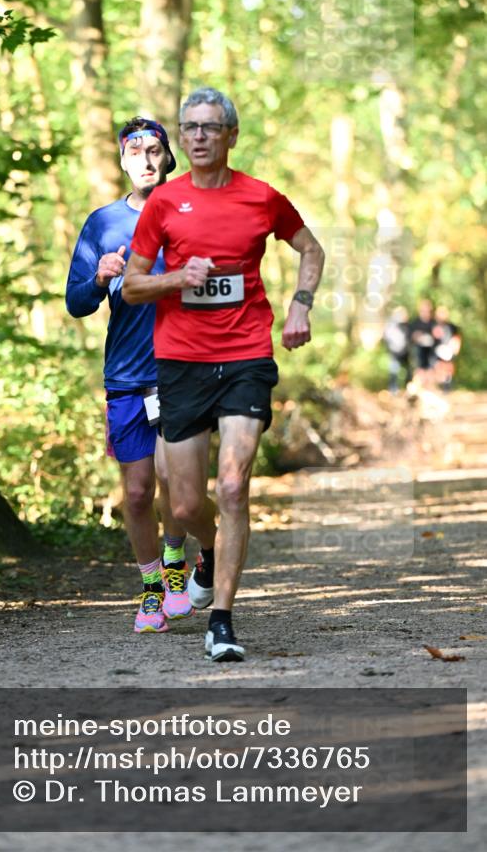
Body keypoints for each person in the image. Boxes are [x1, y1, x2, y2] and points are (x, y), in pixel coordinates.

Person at [123, 87, 325, 662]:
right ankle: (205, 552)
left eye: (212, 127)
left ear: (231, 135)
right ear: (181, 138)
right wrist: (177, 278)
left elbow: (311, 250)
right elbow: (135, 285)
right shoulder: (164, 205)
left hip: (244, 356)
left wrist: (300, 304)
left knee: (234, 484)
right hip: (181, 362)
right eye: (190, 128)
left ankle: (222, 621)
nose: (200, 136)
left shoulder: (262, 198)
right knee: (184, 506)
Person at [66, 116, 213, 634]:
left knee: (177, 485)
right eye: (136, 152)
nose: (147, 160)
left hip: (181, 369)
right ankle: (152, 586)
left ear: (168, 158)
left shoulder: (193, 212)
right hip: (126, 375)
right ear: (123, 161)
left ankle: (177, 565)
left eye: (155, 151)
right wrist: (98, 276)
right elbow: (77, 302)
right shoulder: (102, 223)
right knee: (135, 493)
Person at [409, 298, 437, 389]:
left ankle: (429, 389)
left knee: (431, 370)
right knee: (419, 370)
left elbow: (438, 336)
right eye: (423, 310)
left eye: (427, 309)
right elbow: (410, 336)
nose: (425, 312)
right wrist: (416, 336)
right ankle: (417, 389)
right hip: (419, 351)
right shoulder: (415, 322)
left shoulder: (434, 322)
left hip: (431, 351)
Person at [383, 306, 411, 394]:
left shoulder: (406, 326)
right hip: (394, 353)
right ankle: (393, 389)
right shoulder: (391, 326)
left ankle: (407, 389)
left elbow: (409, 338)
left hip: (404, 352)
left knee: (408, 371)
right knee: (394, 371)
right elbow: (387, 338)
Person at [432, 305, 461, 392]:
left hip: (449, 350)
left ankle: (447, 386)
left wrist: (455, 348)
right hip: (437, 352)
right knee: (439, 369)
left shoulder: (452, 327)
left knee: (448, 369)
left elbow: (457, 338)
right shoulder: (433, 325)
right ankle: (439, 386)